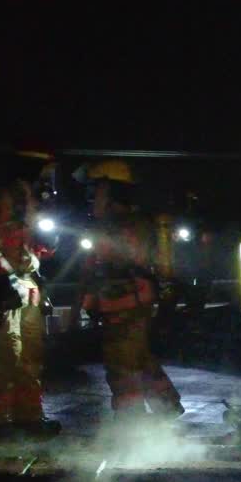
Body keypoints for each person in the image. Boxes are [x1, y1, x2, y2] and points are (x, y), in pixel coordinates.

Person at [75, 159, 184, 422]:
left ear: (110, 191)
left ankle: (130, 419)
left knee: (121, 365)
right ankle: (167, 405)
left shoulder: (117, 226)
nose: (92, 197)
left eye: (96, 190)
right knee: (139, 357)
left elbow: (100, 267)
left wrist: (86, 302)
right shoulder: (135, 222)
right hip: (134, 301)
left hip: (122, 302)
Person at [0, 149, 61, 440]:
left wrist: (48, 242)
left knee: (30, 357)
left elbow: (36, 247)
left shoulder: (31, 201)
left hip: (27, 285)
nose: (48, 179)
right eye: (45, 171)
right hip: (4, 286)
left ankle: (28, 417)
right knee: (3, 355)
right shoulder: (4, 198)